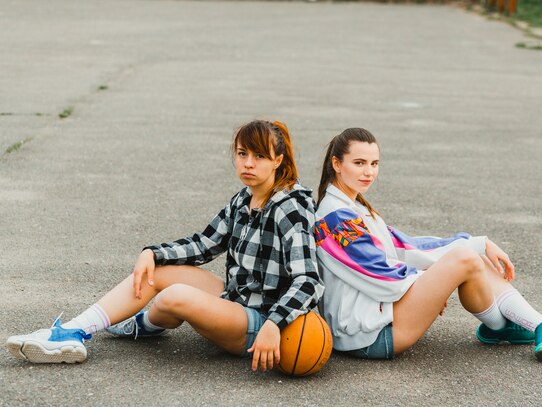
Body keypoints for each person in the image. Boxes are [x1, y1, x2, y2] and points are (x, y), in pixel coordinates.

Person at [6, 120, 323, 372]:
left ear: (278, 160)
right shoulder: (245, 199)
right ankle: (73, 332)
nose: (248, 164)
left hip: (261, 320)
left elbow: (308, 280)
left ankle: (143, 324)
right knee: (157, 271)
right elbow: (205, 243)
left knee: (173, 297)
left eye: (259, 156)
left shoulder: (290, 207)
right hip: (236, 299)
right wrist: (152, 252)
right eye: (242, 154)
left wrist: (274, 323)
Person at [314, 127, 542, 361]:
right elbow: (380, 276)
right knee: (464, 259)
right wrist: (432, 283)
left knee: (471, 257)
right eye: (359, 163)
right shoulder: (334, 218)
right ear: (337, 164)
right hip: (367, 336)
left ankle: (523, 328)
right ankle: (526, 327)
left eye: (375, 163)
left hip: (375, 322)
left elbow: (407, 247)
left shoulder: (355, 209)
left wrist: (479, 243)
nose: (369, 172)